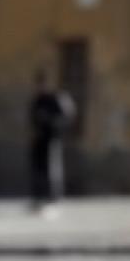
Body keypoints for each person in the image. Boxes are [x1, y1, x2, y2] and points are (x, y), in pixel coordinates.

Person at [28, 70, 76, 213]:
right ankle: (39, 198)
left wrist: (50, 122)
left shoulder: (57, 98)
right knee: (38, 168)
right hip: (39, 138)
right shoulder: (38, 98)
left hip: (52, 139)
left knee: (52, 169)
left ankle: (53, 198)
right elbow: (33, 117)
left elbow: (66, 117)